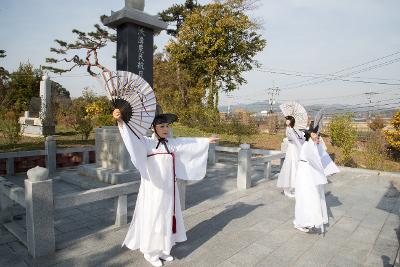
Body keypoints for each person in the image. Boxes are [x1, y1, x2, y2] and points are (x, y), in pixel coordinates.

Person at [113, 108, 218, 267]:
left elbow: (188, 143)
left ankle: (163, 249)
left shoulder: (172, 143)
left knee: (167, 216)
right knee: (154, 217)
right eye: (161, 126)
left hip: (169, 189)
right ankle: (150, 252)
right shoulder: (146, 143)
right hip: (153, 189)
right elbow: (130, 139)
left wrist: (205, 141)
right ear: (153, 128)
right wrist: (120, 121)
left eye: (167, 126)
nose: (165, 129)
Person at [293, 125, 328, 233]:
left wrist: (319, 143)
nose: (316, 135)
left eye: (316, 133)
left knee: (311, 196)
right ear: (309, 134)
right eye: (313, 133)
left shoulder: (313, 144)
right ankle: (300, 222)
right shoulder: (307, 145)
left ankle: (309, 220)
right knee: (304, 195)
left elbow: (322, 154)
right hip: (304, 171)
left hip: (309, 171)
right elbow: (314, 159)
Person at [277, 116, 305, 197]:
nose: (286, 121)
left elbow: (300, 138)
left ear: (291, 121)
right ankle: (287, 189)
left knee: (295, 166)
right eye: (286, 120)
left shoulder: (293, 129)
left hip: (294, 149)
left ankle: (292, 187)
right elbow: (295, 140)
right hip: (292, 148)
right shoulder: (288, 129)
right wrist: (301, 147)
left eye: (287, 120)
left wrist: (302, 137)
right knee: (290, 166)